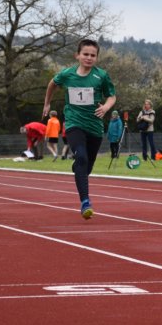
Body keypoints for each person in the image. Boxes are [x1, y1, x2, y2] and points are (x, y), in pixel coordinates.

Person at [42, 38, 117, 219]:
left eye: (93, 55)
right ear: (77, 55)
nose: (89, 58)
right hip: (74, 123)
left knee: (86, 167)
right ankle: (85, 202)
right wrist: (47, 103)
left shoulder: (101, 76)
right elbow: (52, 84)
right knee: (81, 157)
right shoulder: (67, 74)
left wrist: (106, 107)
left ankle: (78, 167)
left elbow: (112, 96)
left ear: (96, 57)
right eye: (85, 54)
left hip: (94, 126)